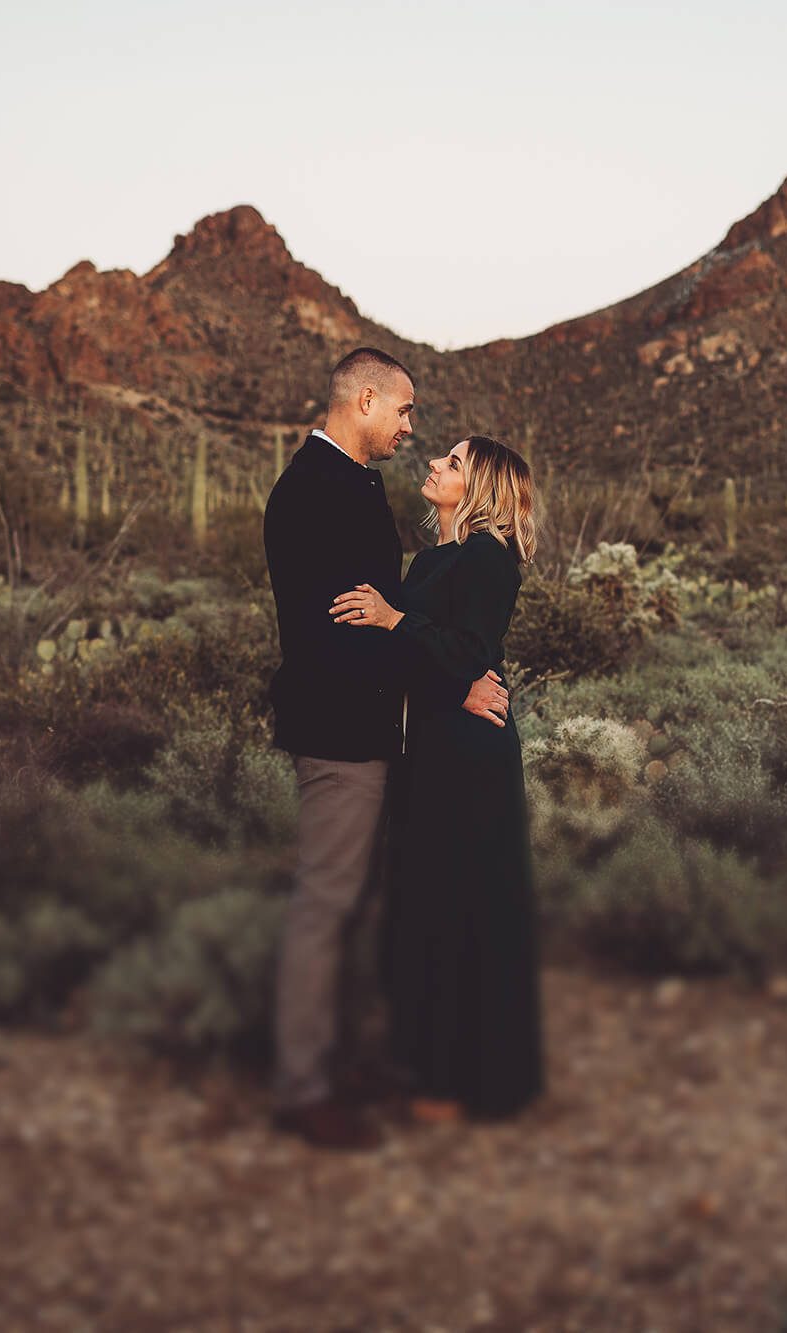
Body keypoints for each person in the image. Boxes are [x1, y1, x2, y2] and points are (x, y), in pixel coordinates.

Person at [262, 348, 509, 1152]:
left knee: (360, 905)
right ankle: (303, 1087)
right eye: (403, 411)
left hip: (372, 731)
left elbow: (384, 613)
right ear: (364, 401)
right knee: (328, 902)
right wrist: (460, 681)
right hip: (340, 731)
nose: (410, 427)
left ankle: (344, 1062)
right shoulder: (314, 491)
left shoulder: (351, 483)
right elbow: (339, 633)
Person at [330, 435, 545, 1124]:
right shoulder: (433, 557)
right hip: (434, 740)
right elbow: (436, 664)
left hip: (468, 759)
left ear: (479, 486)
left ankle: (476, 1080)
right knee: (427, 902)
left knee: (464, 906)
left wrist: (397, 621)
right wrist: (446, 680)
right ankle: (429, 1067)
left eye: (452, 463)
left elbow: (468, 650)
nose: (433, 465)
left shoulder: (489, 558)